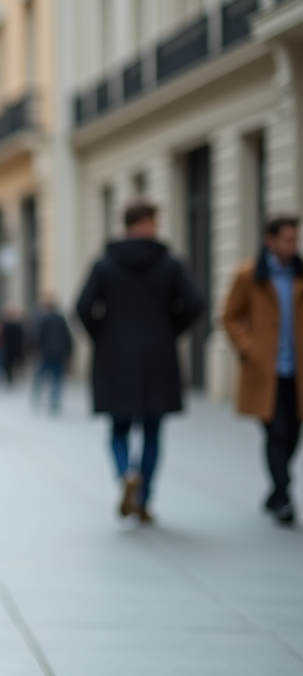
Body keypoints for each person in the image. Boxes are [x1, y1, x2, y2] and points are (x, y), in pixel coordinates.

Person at [76, 201, 202, 523]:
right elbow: (194, 303)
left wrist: (104, 337)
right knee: (152, 431)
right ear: (147, 224)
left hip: (115, 357)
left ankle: (125, 474)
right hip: (158, 356)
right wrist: (169, 329)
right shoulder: (170, 264)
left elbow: (82, 307)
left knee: (118, 429)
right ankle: (143, 498)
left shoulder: (105, 264)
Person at [222, 214, 303, 526]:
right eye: (287, 239)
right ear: (270, 241)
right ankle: (283, 497)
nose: (292, 245)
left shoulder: (299, 273)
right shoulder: (249, 274)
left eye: (295, 239)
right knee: (276, 432)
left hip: (296, 372)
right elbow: (229, 315)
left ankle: (275, 490)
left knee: (293, 434)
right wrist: (249, 348)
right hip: (264, 371)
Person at [31, 296, 73, 413]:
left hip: (46, 353)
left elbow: (39, 336)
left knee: (41, 376)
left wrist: (36, 349)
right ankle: (54, 400)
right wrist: (69, 352)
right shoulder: (61, 319)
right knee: (56, 378)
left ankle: (37, 397)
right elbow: (67, 336)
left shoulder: (44, 319)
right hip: (59, 353)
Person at [0, 305, 25, 386]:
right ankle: (10, 378)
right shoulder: (7, 325)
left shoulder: (16, 326)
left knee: (13, 364)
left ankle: (12, 377)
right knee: (9, 365)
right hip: (9, 348)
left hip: (13, 348)